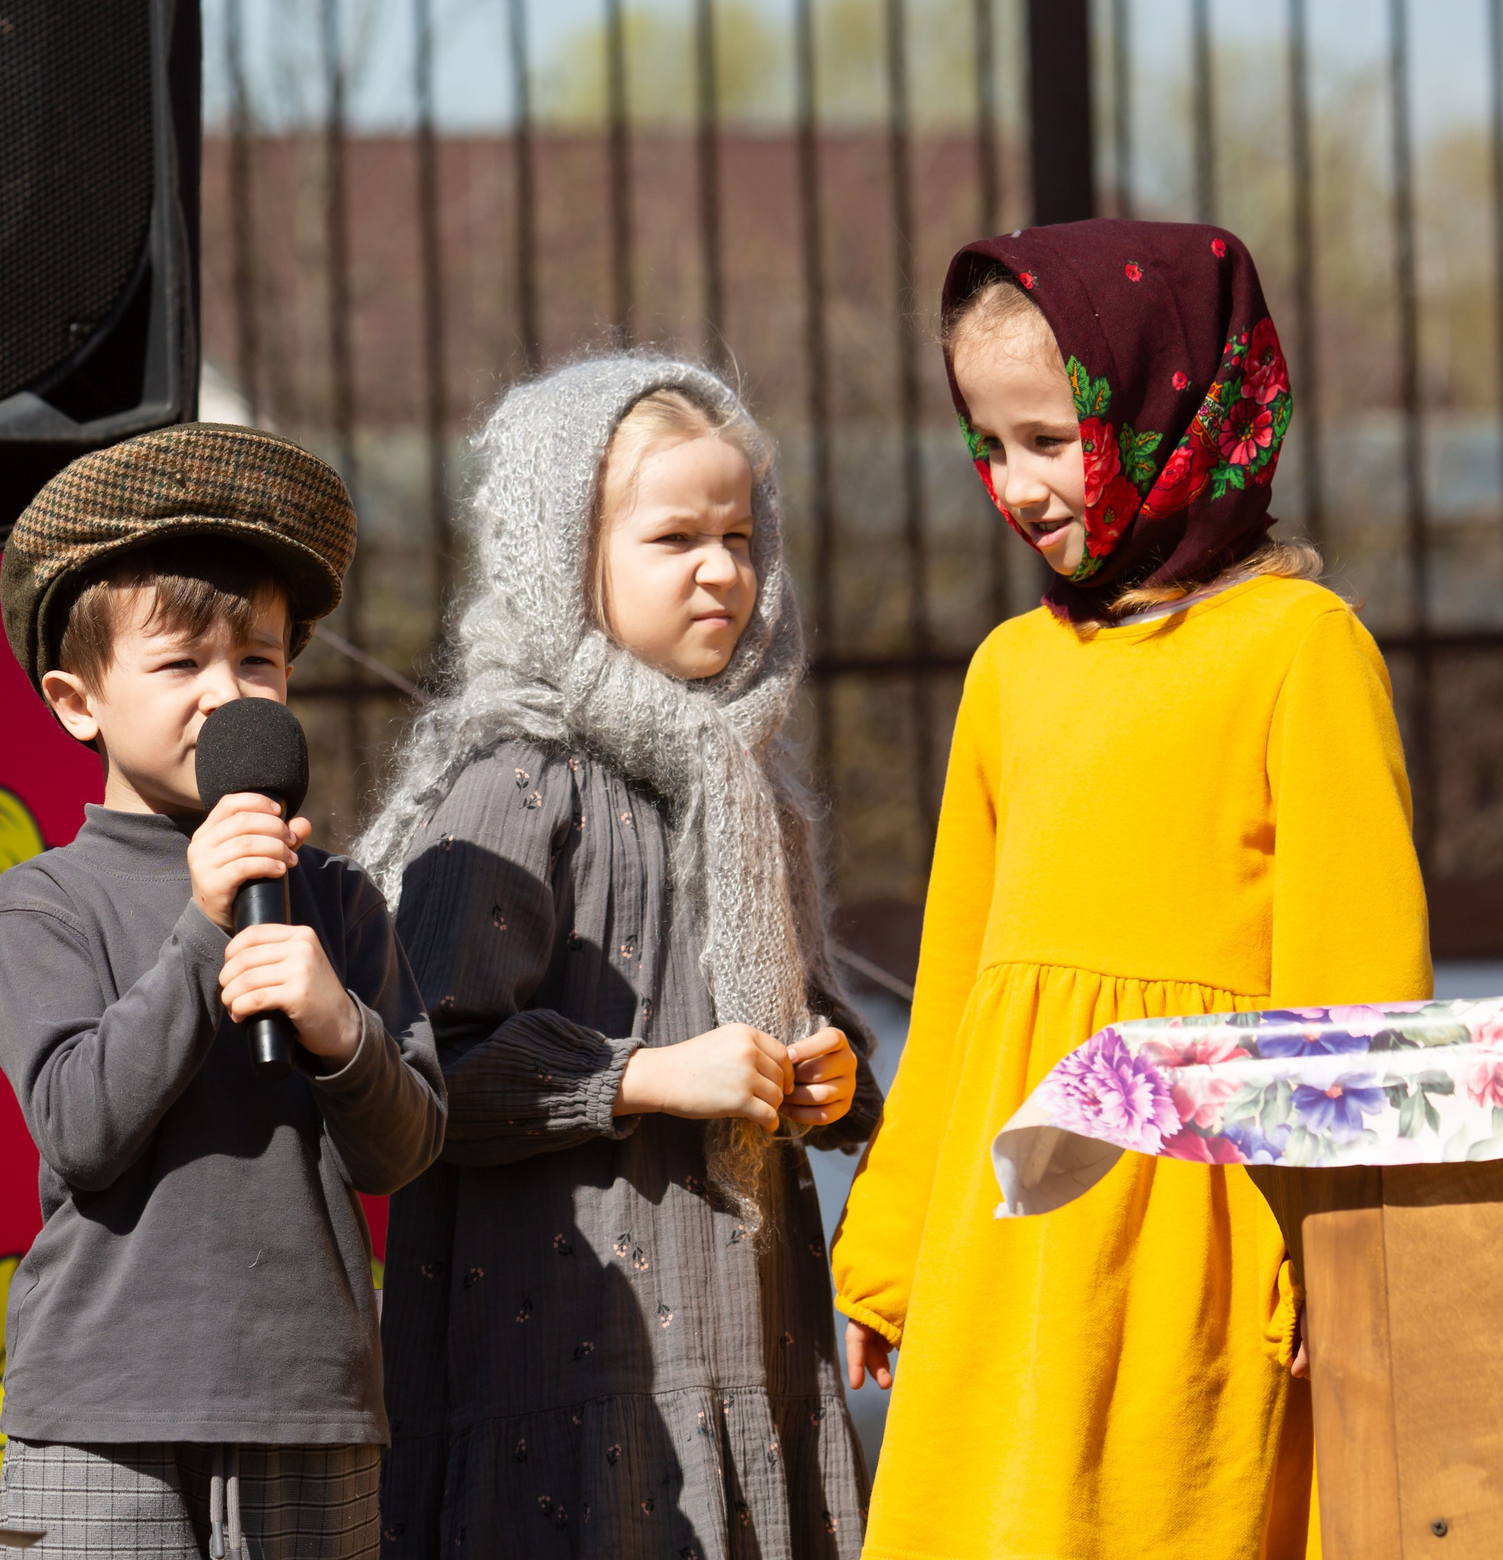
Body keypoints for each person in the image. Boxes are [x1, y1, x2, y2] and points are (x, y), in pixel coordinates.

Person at [832, 221, 1429, 1559]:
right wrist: (888, 1246)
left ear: (1175, 404)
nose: (1018, 484)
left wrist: (1354, 1267)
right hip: (1005, 1241)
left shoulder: (1301, 649)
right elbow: (955, 991)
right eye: (989, 444)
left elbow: (1361, 1009)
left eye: (1049, 436)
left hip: (1199, 1244)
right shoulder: (1007, 672)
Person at [356, 357, 878, 1559]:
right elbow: (423, 1073)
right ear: (562, 556)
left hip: (751, 1335)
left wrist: (833, 1078)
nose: (722, 570)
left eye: (741, 535)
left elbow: (807, 1011)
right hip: (567, 1366)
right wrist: (642, 1075)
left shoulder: (750, 789)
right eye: (674, 537)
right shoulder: (514, 778)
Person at [0, 424, 447, 1560]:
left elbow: (406, 1150)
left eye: (258, 663)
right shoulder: (43, 900)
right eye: (181, 664)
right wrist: (199, 929)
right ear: (76, 699)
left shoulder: (331, 898)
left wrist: (338, 1026)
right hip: (103, 1411)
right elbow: (81, 1130)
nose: (225, 697)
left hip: (308, 1402)